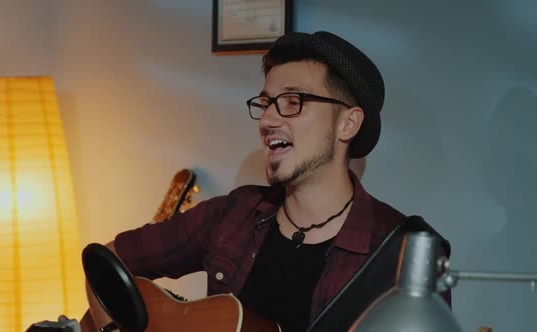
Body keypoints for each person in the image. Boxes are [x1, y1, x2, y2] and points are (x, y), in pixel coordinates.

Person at [86, 31, 450, 332]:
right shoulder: (233, 214)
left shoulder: (402, 255)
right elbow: (107, 260)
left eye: (292, 101)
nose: (267, 121)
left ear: (347, 124)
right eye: (266, 103)